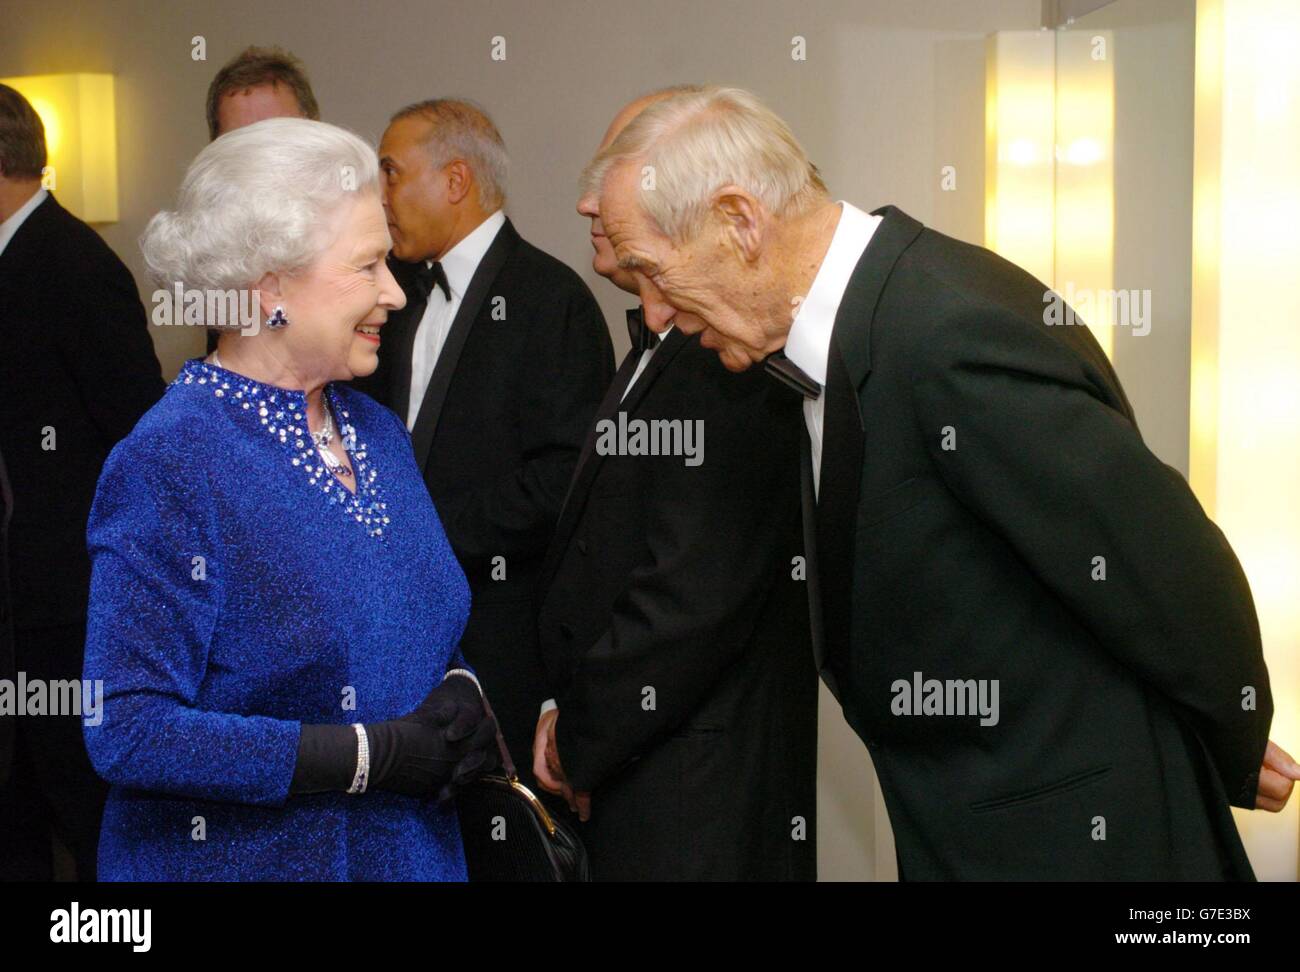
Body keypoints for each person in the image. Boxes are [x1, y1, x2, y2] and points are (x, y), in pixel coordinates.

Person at [587, 85, 1298, 880]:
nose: (652, 314)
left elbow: (1163, 562)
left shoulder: (944, 334)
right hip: (979, 827)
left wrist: (1230, 739)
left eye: (654, 271)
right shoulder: (844, 333)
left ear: (739, 222)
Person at [82, 118, 498, 881]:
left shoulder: (374, 431)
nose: (395, 293)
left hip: (411, 856)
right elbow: (128, 727)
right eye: (368, 266)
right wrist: (363, 756)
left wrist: (462, 691)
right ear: (269, 289)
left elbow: (416, 624)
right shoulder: (172, 458)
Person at [529, 87, 817, 880]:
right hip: (641, 770)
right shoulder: (665, 340)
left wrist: (582, 737)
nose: (588, 198)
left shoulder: (729, 352)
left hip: (697, 793)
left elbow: (689, 596)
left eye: (615, 175)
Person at [357, 99, 613, 787]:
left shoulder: (550, 300)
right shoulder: (392, 295)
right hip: (401, 648)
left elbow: (568, 480)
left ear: (455, 180)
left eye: (389, 173)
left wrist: (421, 530)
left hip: (503, 645)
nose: (376, 195)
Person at [0, 83, 165, 881]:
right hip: (18, 601)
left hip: (66, 605)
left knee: (88, 814)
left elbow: (139, 442)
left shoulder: (71, 263)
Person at [203, 45, 322, 355]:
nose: (260, 152)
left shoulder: (361, 231)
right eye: (240, 139)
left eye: (278, 133)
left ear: (315, 131)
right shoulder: (213, 250)